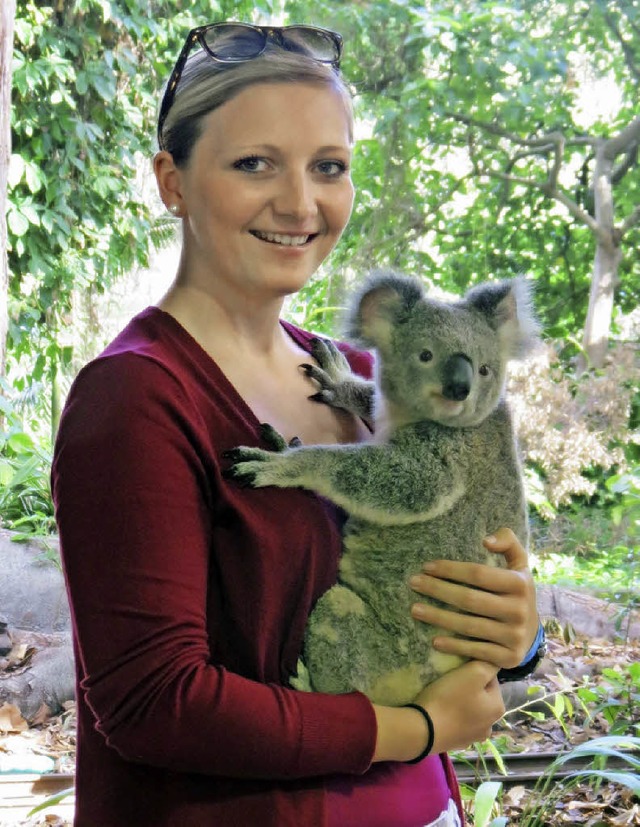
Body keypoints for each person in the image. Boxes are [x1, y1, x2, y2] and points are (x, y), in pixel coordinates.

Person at [52, 22, 543, 827]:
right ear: (171, 182)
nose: (300, 202)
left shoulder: (362, 373)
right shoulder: (137, 399)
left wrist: (515, 628)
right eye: (255, 164)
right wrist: (413, 728)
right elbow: (154, 700)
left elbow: (450, 565)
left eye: (329, 168)